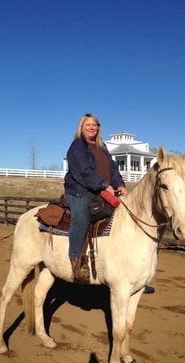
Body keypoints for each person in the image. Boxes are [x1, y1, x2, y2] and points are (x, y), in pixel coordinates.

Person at [64, 113, 127, 283]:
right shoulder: (77, 146)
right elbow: (83, 172)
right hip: (80, 190)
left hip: (102, 189)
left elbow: (112, 169)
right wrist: (103, 185)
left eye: (94, 125)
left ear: (98, 128)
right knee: (82, 216)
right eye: (88, 125)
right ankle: (76, 260)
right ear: (81, 127)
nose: (92, 127)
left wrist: (119, 184)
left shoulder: (102, 147)